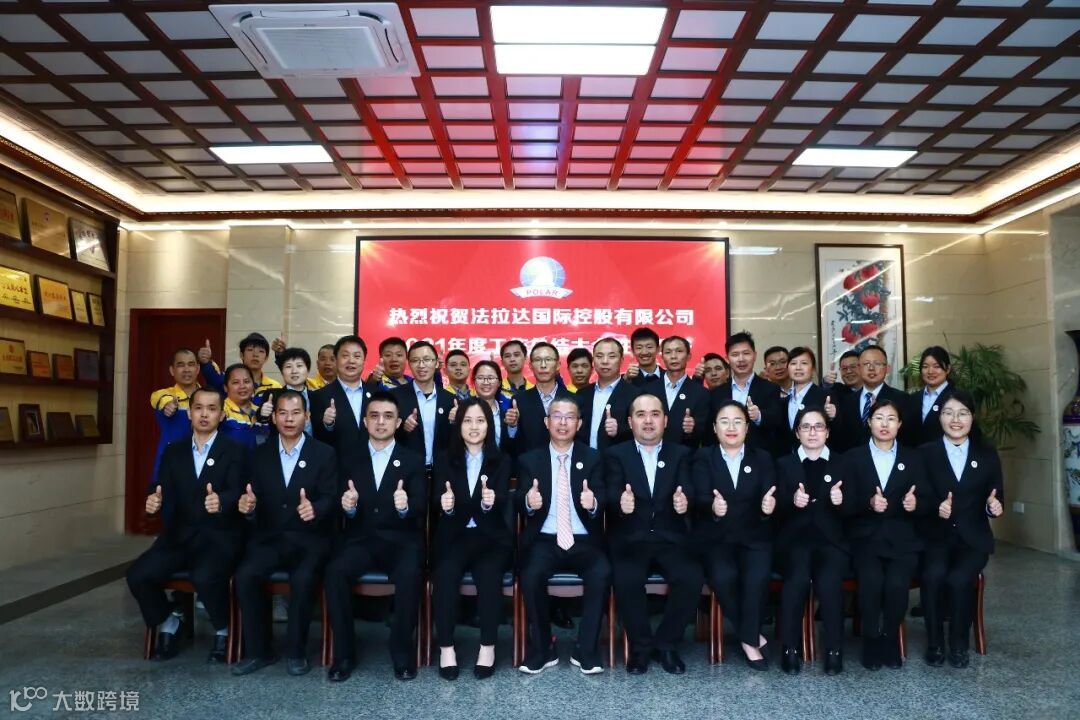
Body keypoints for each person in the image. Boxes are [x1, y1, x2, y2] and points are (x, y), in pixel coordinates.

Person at [127, 387, 245, 663]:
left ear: (222, 414)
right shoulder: (174, 451)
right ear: (189, 413)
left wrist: (223, 501)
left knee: (205, 577)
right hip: (179, 537)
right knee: (138, 575)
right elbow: (160, 486)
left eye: (212, 409)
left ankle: (223, 628)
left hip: (219, 536)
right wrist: (154, 499)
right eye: (198, 408)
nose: (204, 414)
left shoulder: (235, 451)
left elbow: (239, 490)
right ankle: (169, 622)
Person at [232, 390, 338, 676]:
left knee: (303, 580)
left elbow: (331, 497)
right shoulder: (260, 454)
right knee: (246, 575)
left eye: (295, 413)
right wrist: (248, 507)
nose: (289, 419)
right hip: (269, 539)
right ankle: (259, 651)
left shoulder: (324, 454)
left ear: (307, 417)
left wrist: (315, 508)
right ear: (274, 417)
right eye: (283, 413)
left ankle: (296, 651)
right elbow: (250, 496)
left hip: (309, 539)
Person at [324, 391, 426, 682]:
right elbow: (338, 504)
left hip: (401, 541)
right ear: (365, 421)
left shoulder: (412, 460)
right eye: (375, 416)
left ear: (398, 423)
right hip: (361, 540)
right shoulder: (349, 459)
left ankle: (402, 654)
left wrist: (405, 507)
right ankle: (344, 655)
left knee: (410, 574)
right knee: (334, 572)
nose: (381, 422)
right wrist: (348, 507)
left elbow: (420, 506)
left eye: (388, 416)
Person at [606, 394, 702, 675]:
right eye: (641, 415)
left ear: (665, 420)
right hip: (631, 537)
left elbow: (689, 489)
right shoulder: (616, 454)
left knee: (691, 577)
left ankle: (666, 644)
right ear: (630, 421)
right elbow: (610, 493)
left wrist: (685, 502)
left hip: (670, 537)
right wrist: (620, 504)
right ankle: (641, 647)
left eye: (655, 414)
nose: (648, 421)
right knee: (627, 579)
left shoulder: (681, 454)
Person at [517, 398, 611, 675]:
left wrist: (593, 503)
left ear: (579, 424)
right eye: (556, 416)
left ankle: (586, 648)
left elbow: (603, 497)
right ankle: (543, 648)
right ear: (547, 422)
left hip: (583, 540)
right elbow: (519, 499)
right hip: (545, 539)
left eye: (570, 417)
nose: (562, 422)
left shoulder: (593, 458)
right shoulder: (529, 460)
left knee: (602, 572)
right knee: (531, 574)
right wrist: (528, 502)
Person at [841, 397, 929, 671]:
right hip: (865, 537)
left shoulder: (914, 458)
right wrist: (868, 503)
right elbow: (844, 504)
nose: (884, 424)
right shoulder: (852, 458)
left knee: (896, 585)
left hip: (903, 539)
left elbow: (928, 499)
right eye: (879, 418)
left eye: (891, 419)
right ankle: (870, 639)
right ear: (869, 422)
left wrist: (916, 504)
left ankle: (890, 638)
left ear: (900, 424)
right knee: (871, 582)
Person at [920, 391, 1004, 669]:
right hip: (936, 537)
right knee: (933, 576)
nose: (955, 420)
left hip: (973, 539)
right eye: (949, 413)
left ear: (972, 417)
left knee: (958, 580)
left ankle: (958, 645)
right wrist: (936, 507)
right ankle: (934, 643)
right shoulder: (926, 453)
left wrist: (993, 507)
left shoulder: (987, 455)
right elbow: (917, 498)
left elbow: (997, 497)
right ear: (940, 418)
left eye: (963, 413)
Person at [692, 399, 778, 670]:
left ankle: (747, 637)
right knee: (723, 577)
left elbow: (770, 494)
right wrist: (712, 507)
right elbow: (698, 497)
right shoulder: (703, 457)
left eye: (738, 421)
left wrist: (767, 508)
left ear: (747, 428)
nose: (731, 427)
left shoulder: (762, 457)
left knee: (757, 577)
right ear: (714, 428)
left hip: (754, 536)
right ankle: (751, 638)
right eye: (725, 422)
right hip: (716, 538)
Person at [431, 398, 513, 680]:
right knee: (445, 576)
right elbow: (437, 499)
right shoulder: (444, 458)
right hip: (454, 536)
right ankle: (446, 648)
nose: (474, 427)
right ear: (458, 425)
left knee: (489, 577)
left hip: (490, 538)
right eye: (467, 421)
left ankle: (487, 647)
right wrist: (446, 505)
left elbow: (502, 501)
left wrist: (490, 502)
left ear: (489, 426)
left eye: (480, 420)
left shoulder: (502, 460)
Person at [774, 406, 848, 675]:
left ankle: (834, 650)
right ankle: (789, 649)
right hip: (795, 540)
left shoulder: (842, 463)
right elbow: (773, 508)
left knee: (830, 583)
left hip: (832, 541)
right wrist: (791, 501)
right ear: (797, 433)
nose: (812, 432)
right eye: (806, 427)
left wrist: (842, 502)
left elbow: (856, 506)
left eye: (818, 426)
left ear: (827, 432)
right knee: (796, 581)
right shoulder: (783, 464)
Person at [708, 331, 782, 453]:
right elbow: (710, 432)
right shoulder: (716, 393)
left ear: (755, 355)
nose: (741, 359)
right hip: (724, 457)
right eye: (735, 354)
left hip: (758, 456)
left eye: (746, 353)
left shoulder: (770, 389)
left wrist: (759, 416)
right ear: (727, 359)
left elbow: (777, 421)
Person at [310, 335, 373, 470]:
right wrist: (327, 424)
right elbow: (315, 438)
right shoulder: (319, 396)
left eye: (357, 356)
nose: (351, 361)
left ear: (364, 360)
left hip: (372, 469)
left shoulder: (377, 395)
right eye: (345, 356)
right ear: (336, 360)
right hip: (336, 470)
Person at [391, 341, 456, 468]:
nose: (421, 365)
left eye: (427, 360)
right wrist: (403, 428)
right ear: (409, 364)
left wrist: (456, 423)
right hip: (406, 470)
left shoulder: (450, 400)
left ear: (436, 363)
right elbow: (382, 435)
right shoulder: (395, 397)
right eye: (415, 360)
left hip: (442, 471)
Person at [834, 345, 910, 452]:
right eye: (866, 364)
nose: (871, 368)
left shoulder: (902, 399)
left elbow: (908, 438)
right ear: (859, 368)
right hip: (852, 460)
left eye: (877, 364)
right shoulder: (846, 401)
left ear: (887, 368)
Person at [506, 342, 573, 455]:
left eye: (548, 359)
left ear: (558, 365)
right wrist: (512, 426)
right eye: (538, 360)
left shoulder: (574, 400)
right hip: (529, 463)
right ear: (530, 366)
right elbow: (511, 445)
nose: (543, 365)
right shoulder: (519, 400)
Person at [575, 337, 640, 452]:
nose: (605, 361)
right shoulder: (582, 393)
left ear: (621, 360)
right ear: (593, 360)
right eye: (599, 356)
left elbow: (644, 429)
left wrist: (619, 430)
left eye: (611, 356)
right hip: (585, 459)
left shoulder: (635, 394)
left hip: (618, 459)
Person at [149, 348, 200, 487]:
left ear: (197, 369)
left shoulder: (207, 396)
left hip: (201, 466)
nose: (186, 369)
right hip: (170, 467)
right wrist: (168, 405)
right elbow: (159, 399)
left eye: (191, 364)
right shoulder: (163, 395)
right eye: (181, 365)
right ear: (172, 370)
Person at [780, 347, 836, 454]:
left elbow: (838, 432)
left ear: (813, 368)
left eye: (804, 363)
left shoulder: (825, 396)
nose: (798, 368)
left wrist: (832, 417)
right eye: (793, 363)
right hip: (788, 460)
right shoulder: (784, 401)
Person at [197, 332, 281, 404]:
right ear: (241, 355)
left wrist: (281, 355)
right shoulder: (229, 381)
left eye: (261, 351)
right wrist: (206, 362)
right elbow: (213, 377)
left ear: (266, 358)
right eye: (250, 350)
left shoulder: (275, 387)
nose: (255, 354)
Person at [658, 335, 710, 448]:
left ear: (688, 356)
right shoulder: (648, 390)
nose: (673, 356)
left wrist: (693, 428)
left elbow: (707, 431)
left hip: (687, 456)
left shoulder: (701, 393)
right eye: (668, 352)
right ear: (662, 357)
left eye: (679, 351)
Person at [910, 346, 954, 446]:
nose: (930, 371)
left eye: (936, 366)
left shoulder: (958, 398)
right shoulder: (913, 398)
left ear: (948, 369)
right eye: (925, 367)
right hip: (915, 454)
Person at [471, 360, 512, 450]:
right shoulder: (463, 409)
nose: (486, 382)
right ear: (474, 381)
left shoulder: (507, 410)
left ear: (499, 383)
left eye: (490, 378)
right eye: (480, 378)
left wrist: (513, 427)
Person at [218, 364, 259, 452]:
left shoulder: (260, 411)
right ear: (225, 387)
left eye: (246, 381)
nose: (242, 386)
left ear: (253, 384)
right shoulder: (220, 410)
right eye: (236, 382)